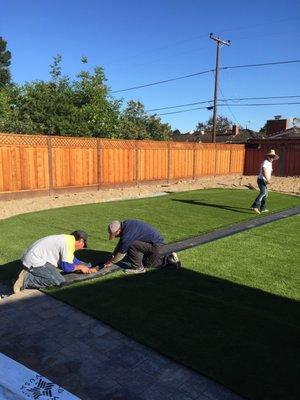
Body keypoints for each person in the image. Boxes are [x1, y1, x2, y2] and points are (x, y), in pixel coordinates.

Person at [13, 230, 98, 293]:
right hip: (34, 261)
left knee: (59, 273)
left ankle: (26, 273)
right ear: (81, 240)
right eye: (83, 245)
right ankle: (25, 279)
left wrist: (87, 266)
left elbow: (72, 260)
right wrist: (80, 267)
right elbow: (66, 267)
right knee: (58, 281)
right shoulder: (67, 243)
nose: (82, 247)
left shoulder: (68, 240)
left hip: (33, 258)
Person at [104, 219, 180, 274]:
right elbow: (120, 244)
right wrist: (113, 254)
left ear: (118, 231)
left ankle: (138, 268)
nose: (115, 236)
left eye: (115, 235)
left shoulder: (127, 235)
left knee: (131, 245)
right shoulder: (126, 225)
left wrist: (111, 262)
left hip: (156, 246)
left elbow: (122, 252)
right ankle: (169, 259)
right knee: (147, 263)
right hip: (155, 244)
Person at [251, 149, 279, 214]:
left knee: (265, 194)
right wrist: (268, 180)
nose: (272, 158)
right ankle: (255, 206)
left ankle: (262, 208)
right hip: (261, 180)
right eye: (271, 156)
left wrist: (267, 180)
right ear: (268, 156)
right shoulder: (266, 162)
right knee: (263, 193)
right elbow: (264, 171)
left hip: (264, 181)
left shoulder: (270, 163)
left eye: (273, 157)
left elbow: (268, 172)